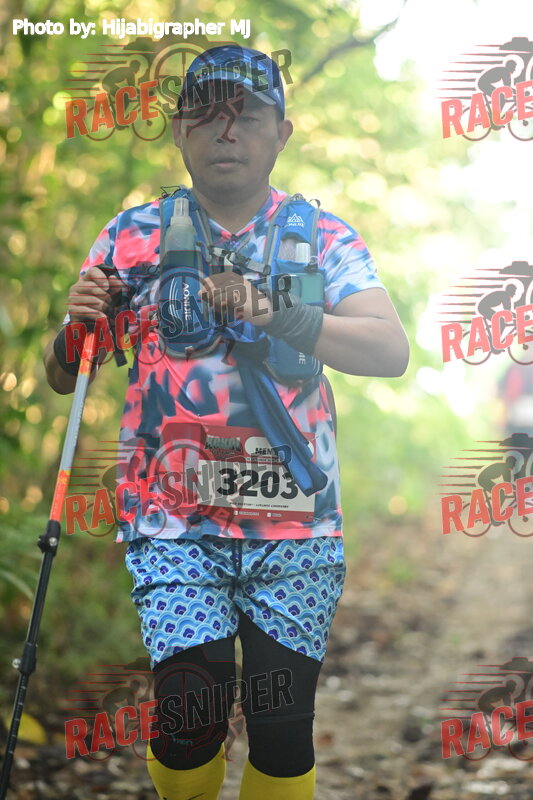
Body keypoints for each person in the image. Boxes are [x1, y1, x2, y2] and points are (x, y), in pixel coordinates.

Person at [44, 44, 409, 800]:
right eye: (206, 114)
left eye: (246, 114)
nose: (226, 130)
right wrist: (75, 327)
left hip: (297, 530)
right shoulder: (132, 236)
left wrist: (279, 313)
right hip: (173, 526)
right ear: (180, 132)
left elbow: (388, 350)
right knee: (188, 724)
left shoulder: (325, 237)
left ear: (281, 133)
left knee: (281, 733)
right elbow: (65, 374)